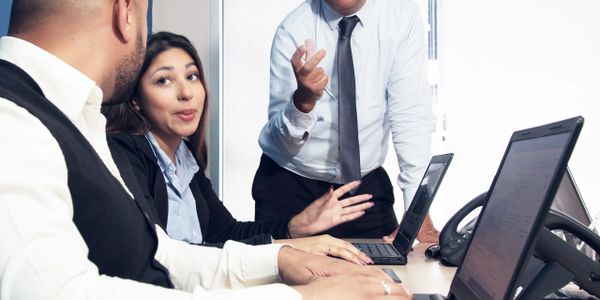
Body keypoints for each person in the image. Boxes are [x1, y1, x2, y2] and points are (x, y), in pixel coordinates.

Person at [0, 0, 411, 299]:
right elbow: (58, 292)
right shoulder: (10, 119)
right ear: (126, 12)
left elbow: (159, 253)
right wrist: (303, 298)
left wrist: (280, 257)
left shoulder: (79, 117)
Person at [104, 31, 373, 265]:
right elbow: (163, 256)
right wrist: (286, 250)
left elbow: (225, 233)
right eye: (164, 80)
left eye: (192, 76)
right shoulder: (125, 153)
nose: (186, 92)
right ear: (136, 99)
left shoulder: (183, 157)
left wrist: (296, 228)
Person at [253, 0, 439, 241]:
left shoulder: (400, 16)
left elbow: (410, 114)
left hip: (364, 191)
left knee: (388, 274)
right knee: (287, 277)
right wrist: (303, 102)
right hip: (291, 189)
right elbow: (282, 144)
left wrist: (417, 208)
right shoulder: (293, 30)